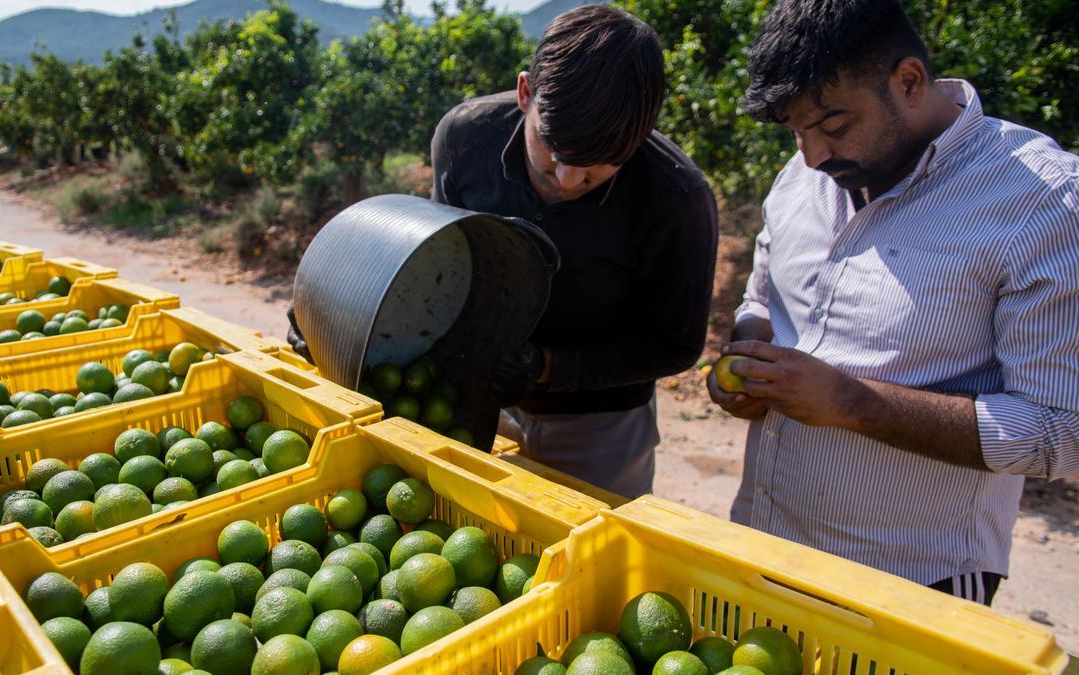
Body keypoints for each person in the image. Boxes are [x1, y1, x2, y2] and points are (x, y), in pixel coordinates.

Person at [707, 0, 1079, 605]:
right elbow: (763, 298)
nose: (812, 156)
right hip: (764, 543)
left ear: (908, 82)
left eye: (832, 126)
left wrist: (853, 403)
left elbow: (1061, 430)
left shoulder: (1041, 203)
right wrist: (748, 358)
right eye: (796, 132)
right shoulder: (804, 174)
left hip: (909, 582)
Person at [430, 5, 717, 498]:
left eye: (596, 170)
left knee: (591, 554)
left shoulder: (675, 198)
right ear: (525, 94)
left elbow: (675, 343)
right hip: (480, 400)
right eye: (552, 151)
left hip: (599, 429)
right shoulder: (465, 139)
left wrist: (548, 367)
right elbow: (439, 260)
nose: (566, 181)